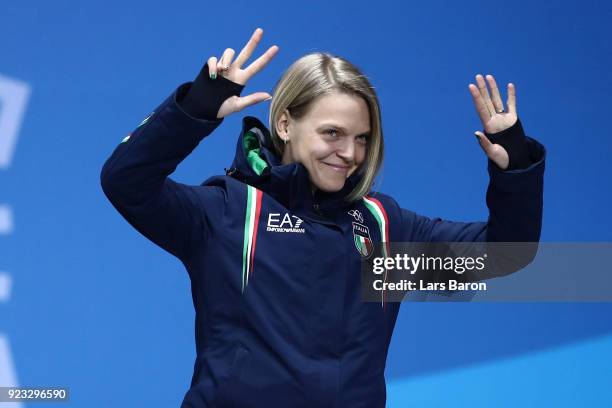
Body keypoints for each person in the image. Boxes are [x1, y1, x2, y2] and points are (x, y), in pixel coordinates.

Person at [100, 27, 545, 408]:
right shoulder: (227, 211)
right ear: (286, 125)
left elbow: (505, 255)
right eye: (332, 133)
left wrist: (516, 167)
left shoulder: (384, 229)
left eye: (362, 138)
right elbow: (126, 181)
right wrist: (193, 111)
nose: (350, 153)